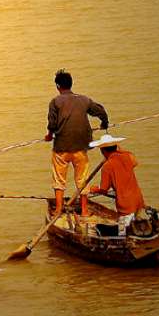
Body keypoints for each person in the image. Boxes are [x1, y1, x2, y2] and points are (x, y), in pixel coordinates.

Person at [45, 69, 109, 216]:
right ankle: (85, 210)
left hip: (61, 148)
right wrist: (104, 123)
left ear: (58, 86)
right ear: (71, 84)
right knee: (82, 178)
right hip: (81, 147)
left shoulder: (55, 102)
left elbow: (52, 124)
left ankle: (58, 209)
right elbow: (100, 111)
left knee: (59, 178)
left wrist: (49, 136)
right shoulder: (84, 100)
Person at [88, 134, 145, 217]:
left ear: (102, 151)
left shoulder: (107, 166)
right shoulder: (127, 157)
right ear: (116, 147)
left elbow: (104, 189)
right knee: (136, 221)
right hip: (138, 200)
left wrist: (95, 189)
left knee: (125, 225)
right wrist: (118, 148)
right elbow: (134, 161)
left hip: (125, 205)